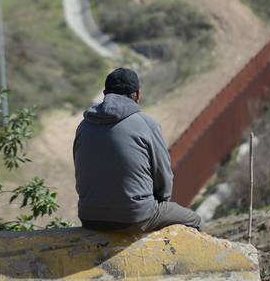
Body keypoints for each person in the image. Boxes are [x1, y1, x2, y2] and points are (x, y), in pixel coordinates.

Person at [73, 67, 201, 234]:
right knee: (194, 219)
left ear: (105, 93)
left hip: (89, 217)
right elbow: (163, 176)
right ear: (138, 95)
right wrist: (159, 204)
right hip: (135, 217)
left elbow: (80, 171)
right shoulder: (146, 125)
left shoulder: (83, 126)